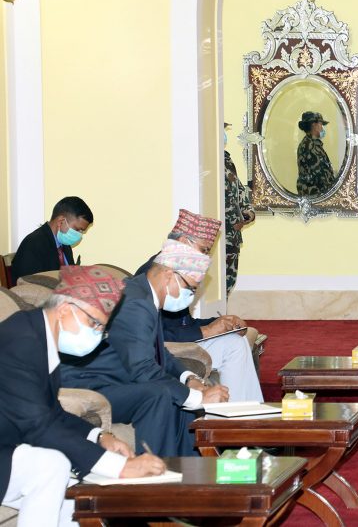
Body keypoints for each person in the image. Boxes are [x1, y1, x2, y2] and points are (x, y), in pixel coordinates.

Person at [1, 266, 166, 525]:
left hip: (10, 446)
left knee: (78, 496)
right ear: (65, 309)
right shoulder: (22, 340)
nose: (97, 334)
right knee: (51, 465)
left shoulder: (40, 335)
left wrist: (99, 437)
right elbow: (39, 426)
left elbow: (52, 412)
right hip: (7, 449)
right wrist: (119, 467)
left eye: (102, 328)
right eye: (94, 324)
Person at [60, 240, 231, 456]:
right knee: (159, 394)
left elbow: (159, 353)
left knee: (180, 395)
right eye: (190, 289)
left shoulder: (145, 295)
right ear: (169, 275)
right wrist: (197, 398)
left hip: (117, 380)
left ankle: (190, 468)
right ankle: (158, 471)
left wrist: (189, 380)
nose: (190, 296)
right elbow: (142, 369)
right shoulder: (136, 302)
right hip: (90, 386)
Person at [134, 210, 263, 402]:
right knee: (233, 346)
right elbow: (158, 336)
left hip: (183, 340)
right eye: (204, 250)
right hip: (172, 348)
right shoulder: (154, 276)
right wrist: (207, 331)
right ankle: (236, 412)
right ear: (184, 242)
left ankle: (248, 410)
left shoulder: (180, 271)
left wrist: (221, 323)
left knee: (235, 340)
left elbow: (183, 323)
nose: (205, 257)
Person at [10, 197, 93, 283]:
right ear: (61, 221)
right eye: (77, 229)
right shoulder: (33, 244)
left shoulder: (65, 245)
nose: (79, 235)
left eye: (82, 231)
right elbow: (27, 284)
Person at [223, 123, 255, 296]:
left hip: (232, 234)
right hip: (219, 236)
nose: (224, 135)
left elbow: (239, 189)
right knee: (216, 285)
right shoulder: (207, 161)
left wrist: (248, 211)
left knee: (228, 282)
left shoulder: (226, 160)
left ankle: (221, 312)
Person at [296, 111, 336, 196]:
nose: (322, 128)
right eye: (321, 124)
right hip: (314, 195)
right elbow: (320, 175)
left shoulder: (311, 143)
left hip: (316, 195)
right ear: (314, 125)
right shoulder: (309, 146)